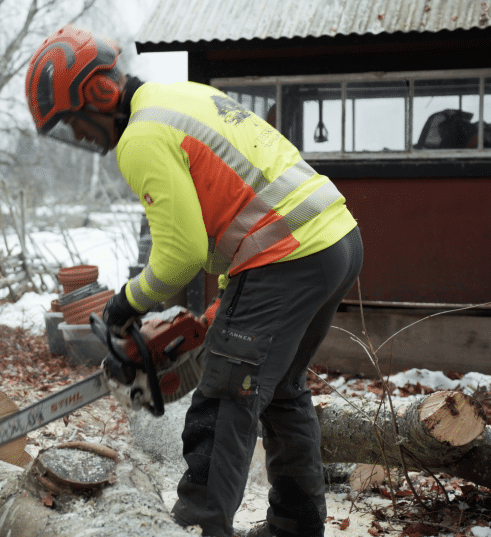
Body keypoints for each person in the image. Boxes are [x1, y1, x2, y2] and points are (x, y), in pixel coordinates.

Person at [24, 25, 363, 537]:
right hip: (334, 241)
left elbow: (179, 254)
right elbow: (230, 211)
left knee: (224, 398)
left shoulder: (139, 136)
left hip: (287, 254)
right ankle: (295, 527)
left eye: (75, 125)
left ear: (98, 93)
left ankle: (196, 528)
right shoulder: (179, 98)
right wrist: (225, 304)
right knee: (281, 392)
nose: (82, 138)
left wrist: (127, 304)